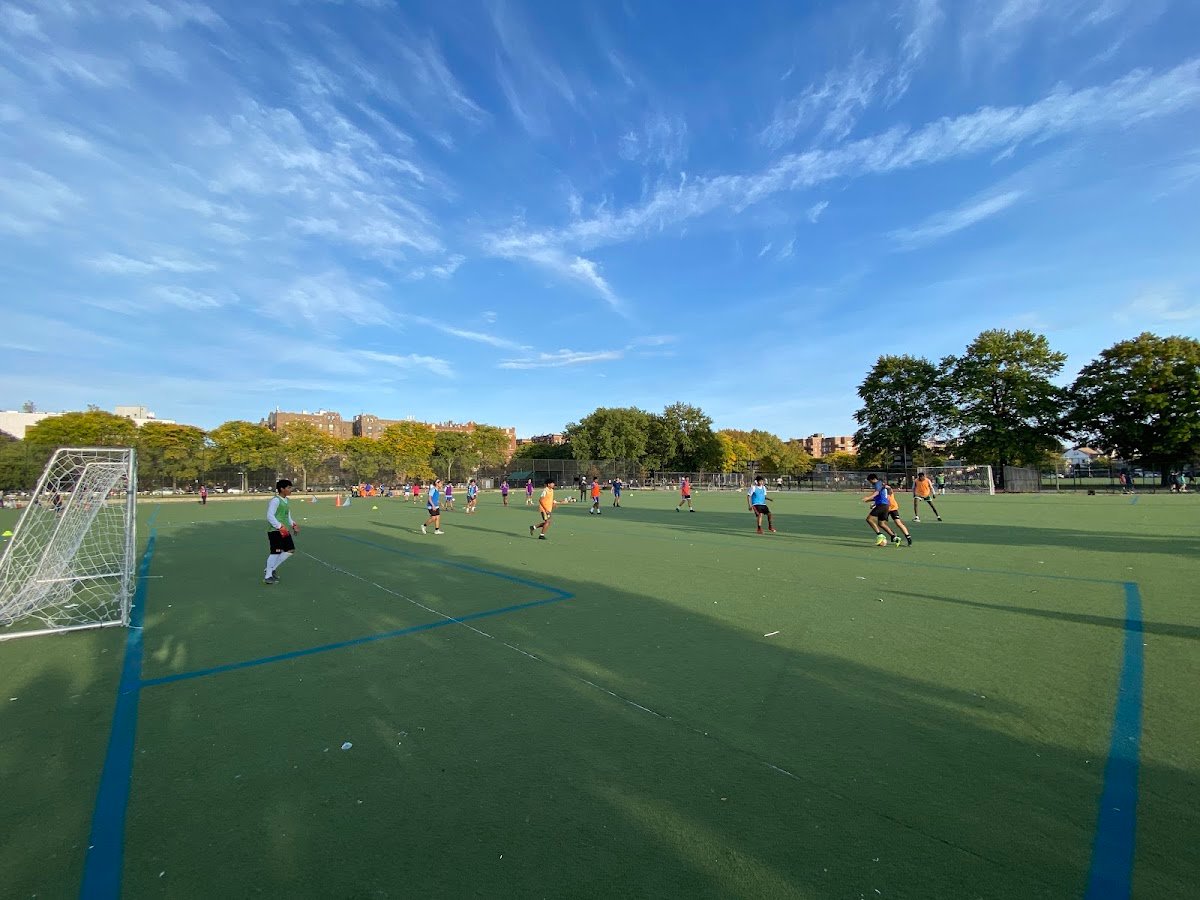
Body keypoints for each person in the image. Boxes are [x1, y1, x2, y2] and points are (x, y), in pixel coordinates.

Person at [264, 479, 299, 584]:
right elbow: (269, 516)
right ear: (282, 489)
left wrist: (293, 524)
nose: (291, 489)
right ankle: (268, 576)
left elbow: (287, 516)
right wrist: (279, 526)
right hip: (275, 531)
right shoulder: (275, 500)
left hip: (284, 531)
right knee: (276, 552)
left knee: (290, 550)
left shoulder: (286, 500)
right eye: (288, 488)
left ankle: (271, 569)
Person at [862, 474, 899, 547]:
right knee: (881, 524)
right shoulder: (881, 483)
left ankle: (880, 535)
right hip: (886, 506)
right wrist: (870, 500)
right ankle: (894, 537)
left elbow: (877, 493)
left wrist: (868, 497)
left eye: (870, 481)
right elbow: (880, 496)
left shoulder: (877, 483)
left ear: (873, 479)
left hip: (881, 505)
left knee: (869, 519)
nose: (870, 483)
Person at [884, 480, 913, 545]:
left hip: (893, 508)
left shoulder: (888, 488)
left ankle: (908, 537)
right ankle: (893, 535)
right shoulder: (880, 490)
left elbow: (887, 498)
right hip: (885, 508)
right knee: (882, 523)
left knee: (898, 523)